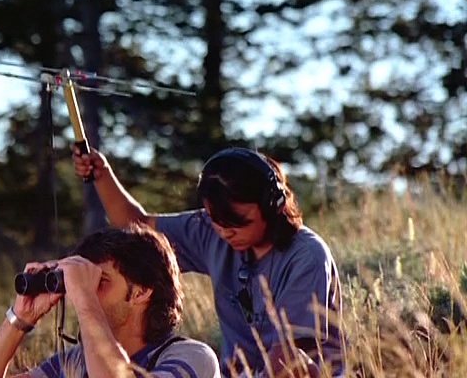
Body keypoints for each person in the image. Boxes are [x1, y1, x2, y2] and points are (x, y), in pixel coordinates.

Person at [73, 146, 345, 378]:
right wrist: (102, 174)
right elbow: (138, 226)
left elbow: (287, 357)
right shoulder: (210, 233)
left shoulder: (307, 256)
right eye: (217, 221)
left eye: (239, 223)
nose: (226, 232)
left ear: (273, 205)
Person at [0, 223, 221, 378]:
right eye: (81, 281)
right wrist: (19, 319)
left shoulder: (192, 358)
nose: (81, 290)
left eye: (99, 281)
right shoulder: (76, 362)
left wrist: (85, 297)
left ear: (141, 292)